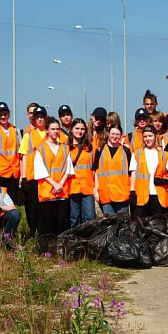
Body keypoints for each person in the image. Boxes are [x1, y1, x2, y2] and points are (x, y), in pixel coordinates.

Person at [32, 117, 76, 250]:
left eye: (57, 129)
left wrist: (60, 184)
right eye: (53, 129)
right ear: (47, 130)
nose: (56, 131)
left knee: (61, 224)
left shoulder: (64, 148)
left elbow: (68, 169)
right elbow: (40, 171)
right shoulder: (40, 148)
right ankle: (46, 250)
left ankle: (60, 249)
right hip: (47, 192)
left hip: (62, 192)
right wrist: (54, 184)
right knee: (47, 224)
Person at [129, 126, 168, 217]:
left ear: (155, 136)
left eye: (150, 136)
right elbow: (133, 173)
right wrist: (132, 191)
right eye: (145, 136)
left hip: (158, 196)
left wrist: (167, 180)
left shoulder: (163, 155)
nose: (147, 139)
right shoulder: (137, 154)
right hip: (141, 196)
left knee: (157, 226)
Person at [19, 106, 48, 236]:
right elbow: (24, 156)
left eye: (42, 117)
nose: (40, 119)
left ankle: (44, 233)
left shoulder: (51, 134)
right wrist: (23, 176)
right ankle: (33, 233)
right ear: (33, 119)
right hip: (32, 178)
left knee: (45, 209)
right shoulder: (28, 136)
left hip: (47, 178)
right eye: (37, 117)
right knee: (32, 208)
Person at [93, 124, 133, 215]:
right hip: (105, 194)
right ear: (108, 133)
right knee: (109, 224)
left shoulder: (126, 151)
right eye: (113, 134)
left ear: (121, 135)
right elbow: (96, 171)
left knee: (122, 224)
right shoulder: (100, 150)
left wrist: (131, 191)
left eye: (117, 134)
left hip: (122, 194)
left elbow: (131, 173)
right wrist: (96, 190)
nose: (115, 137)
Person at [68, 119, 96, 227]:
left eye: (82, 129)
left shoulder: (90, 148)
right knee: (74, 217)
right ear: (71, 130)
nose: (80, 131)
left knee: (89, 217)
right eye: (77, 128)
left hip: (87, 187)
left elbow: (94, 168)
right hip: (72, 187)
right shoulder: (66, 148)